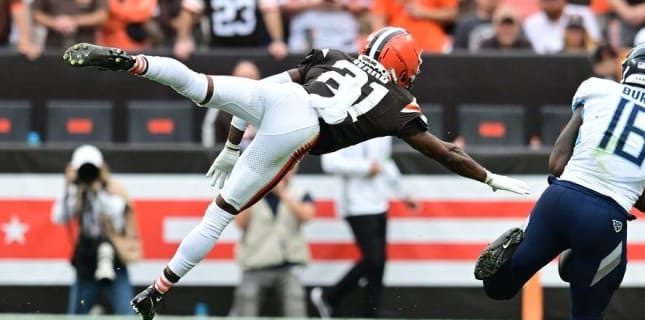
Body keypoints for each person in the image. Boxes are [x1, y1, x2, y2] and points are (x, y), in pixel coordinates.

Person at [62, 26, 531, 320]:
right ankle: (157, 290)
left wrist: (230, 145)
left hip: (283, 102)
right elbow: (444, 152)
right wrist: (488, 177)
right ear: (401, 65)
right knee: (219, 214)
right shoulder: (397, 103)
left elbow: (260, 92)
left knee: (197, 84)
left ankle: (134, 62)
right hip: (303, 126)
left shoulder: (333, 55)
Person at [474, 40, 645, 319]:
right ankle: (577, 254)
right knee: (586, 314)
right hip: (605, 219)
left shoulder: (597, 90)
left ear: (627, 68)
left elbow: (556, 165)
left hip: (558, 201)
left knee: (499, 288)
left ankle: (512, 258)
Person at [312, 136, 415, 318]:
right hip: (354, 205)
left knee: (379, 264)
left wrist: (402, 193)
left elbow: (386, 162)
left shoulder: (383, 130)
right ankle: (329, 296)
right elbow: (330, 163)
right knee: (373, 259)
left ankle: (370, 313)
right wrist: (365, 167)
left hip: (378, 203)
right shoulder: (342, 124)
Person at [52, 145, 142, 315]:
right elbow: (59, 217)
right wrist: (71, 187)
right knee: (77, 314)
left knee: (127, 313)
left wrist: (97, 191)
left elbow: (118, 215)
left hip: (114, 259)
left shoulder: (113, 187)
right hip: (87, 260)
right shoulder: (75, 190)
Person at [228, 166, 314, 317]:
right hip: (255, 265)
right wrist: (252, 193)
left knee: (295, 298)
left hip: (288, 266)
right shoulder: (251, 193)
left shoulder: (300, 193)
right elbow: (240, 223)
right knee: (247, 298)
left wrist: (282, 193)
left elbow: (307, 216)